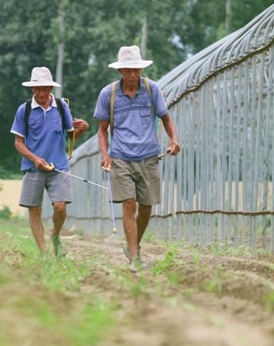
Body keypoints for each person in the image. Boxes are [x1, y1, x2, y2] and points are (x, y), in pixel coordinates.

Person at [93, 46, 180, 270]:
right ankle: (134, 257)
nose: (132, 75)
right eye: (128, 70)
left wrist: (174, 140)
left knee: (147, 207)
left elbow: (166, 119)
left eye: (136, 70)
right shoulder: (108, 94)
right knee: (129, 204)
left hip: (149, 155)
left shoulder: (152, 90)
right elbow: (102, 130)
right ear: (120, 70)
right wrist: (105, 155)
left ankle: (134, 245)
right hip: (121, 156)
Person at [11, 67, 89, 256]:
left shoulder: (62, 108)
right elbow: (18, 143)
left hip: (58, 167)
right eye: (37, 89)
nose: (41, 93)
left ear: (51, 88)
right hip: (33, 167)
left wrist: (82, 129)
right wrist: (35, 158)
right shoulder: (25, 110)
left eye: (45, 88)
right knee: (34, 209)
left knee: (60, 206)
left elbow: (68, 138)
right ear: (32, 89)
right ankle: (44, 253)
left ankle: (55, 235)